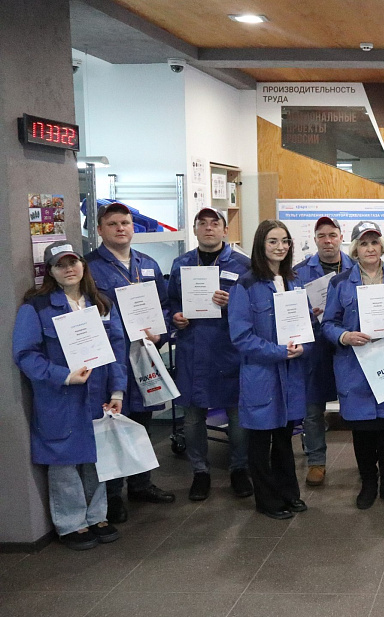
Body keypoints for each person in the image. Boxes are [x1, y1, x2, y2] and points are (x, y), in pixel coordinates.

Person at [13, 241, 127, 550]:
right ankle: (72, 523)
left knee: (96, 456)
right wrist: (63, 376)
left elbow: (117, 350)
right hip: (59, 396)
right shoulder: (36, 307)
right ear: (50, 272)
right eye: (60, 265)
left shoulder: (101, 304)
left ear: (82, 265)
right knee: (63, 460)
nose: (68, 269)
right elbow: (25, 355)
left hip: (98, 394)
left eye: (73, 262)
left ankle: (97, 515)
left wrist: (117, 390)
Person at [84, 202, 175, 524]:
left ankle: (140, 484)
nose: (121, 228)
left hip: (144, 355)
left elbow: (164, 306)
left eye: (125, 222)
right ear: (100, 230)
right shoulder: (89, 267)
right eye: (113, 224)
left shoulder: (147, 264)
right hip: (111, 360)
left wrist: (161, 333)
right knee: (113, 423)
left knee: (142, 422)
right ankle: (112, 495)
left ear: (133, 227)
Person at [322, 222, 384, 510]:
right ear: (355, 249)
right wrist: (345, 336)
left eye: (374, 242)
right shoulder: (340, 282)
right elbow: (328, 323)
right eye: (364, 243)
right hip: (355, 365)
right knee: (362, 429)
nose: (370, 248)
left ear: (382, 246)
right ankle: (368, 484)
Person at [168, 207, 253, 501]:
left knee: (237, 415)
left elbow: (254, 308)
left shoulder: (243, 265)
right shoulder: (180, 264)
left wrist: (233, 303)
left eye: (214, 223)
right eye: (202, 223)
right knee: (193, 417)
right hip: (192, 350)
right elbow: (170, 303)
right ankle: (200, 472)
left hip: (229, 350)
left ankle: (239, 468)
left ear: (224, 230)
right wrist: (175, 317)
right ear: (194, 229)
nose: (208, 228)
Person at [228, 220, 310, 520]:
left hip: (290, 375)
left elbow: (307, 327)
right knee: (261, 441)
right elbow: (241, 337)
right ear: (261, 245)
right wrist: (279, 352)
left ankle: (289, 493)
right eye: (273, 241)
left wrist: (304, 346)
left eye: (285, 241)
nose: (280, 247)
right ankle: (266, 499)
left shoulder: (294, 282)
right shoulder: (245, 285)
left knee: (285, 439)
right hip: (262, 375)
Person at [292, 216, 353, 488]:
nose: (328, 241)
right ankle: (316, 461)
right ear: (315, 240)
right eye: (322, 236)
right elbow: (290, 314)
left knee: (356, 405)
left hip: (348, 347)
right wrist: (307, 315)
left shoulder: (356, 268)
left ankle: (366, 461)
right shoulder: (299, 272)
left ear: (341, 238)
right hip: (315, 349)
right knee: (313, 408)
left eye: (332, 235)